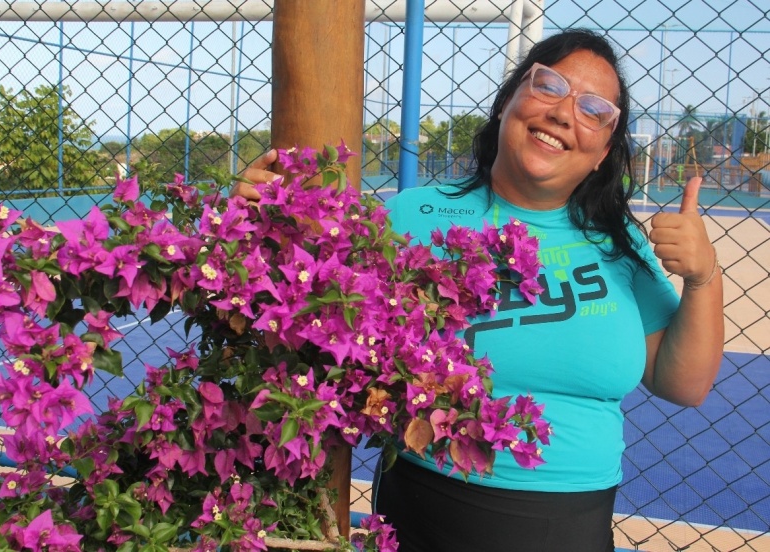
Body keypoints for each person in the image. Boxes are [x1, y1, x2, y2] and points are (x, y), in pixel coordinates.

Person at [236, 28, 723, 552]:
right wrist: (257, 224)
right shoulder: (408, 215)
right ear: (506, 102)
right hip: (424, 512)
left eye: (594, 108)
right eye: (549, 85)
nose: (564, 113)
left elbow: (684, 384)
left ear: (604, 151)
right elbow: (297, 314)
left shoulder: (618, 241)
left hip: (572, 524)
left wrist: (704, 275)